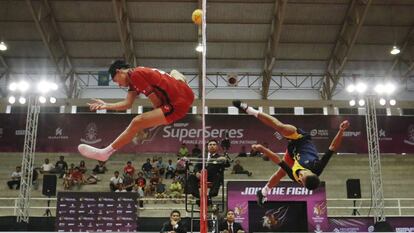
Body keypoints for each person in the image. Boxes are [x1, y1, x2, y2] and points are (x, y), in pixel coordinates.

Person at [232, 100, 350, 205]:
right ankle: (250, 110)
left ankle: (263, 192)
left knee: (281, 173)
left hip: (293, 152)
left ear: (302, 183)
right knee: (282, 128)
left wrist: (262, 149)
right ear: (313, 173)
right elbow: (333, 147)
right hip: (301, 138)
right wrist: (341, 130)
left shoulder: (295, 177)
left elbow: (278, 160)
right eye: (305, 174)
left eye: (302, 178)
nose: (302, 174)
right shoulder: (318, 167)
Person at [78, 60, 194, 161]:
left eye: (116, 81)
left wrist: (145, 124)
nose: (119, 85)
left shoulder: (136, 75)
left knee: (137, 121)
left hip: (178, 103)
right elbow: (127, 104)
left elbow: (157, 102)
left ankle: (105, 153)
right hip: (184, 89)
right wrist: (106, 106)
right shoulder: (134, 78)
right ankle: (183, 82)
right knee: (174, 72)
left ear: (119, 71)